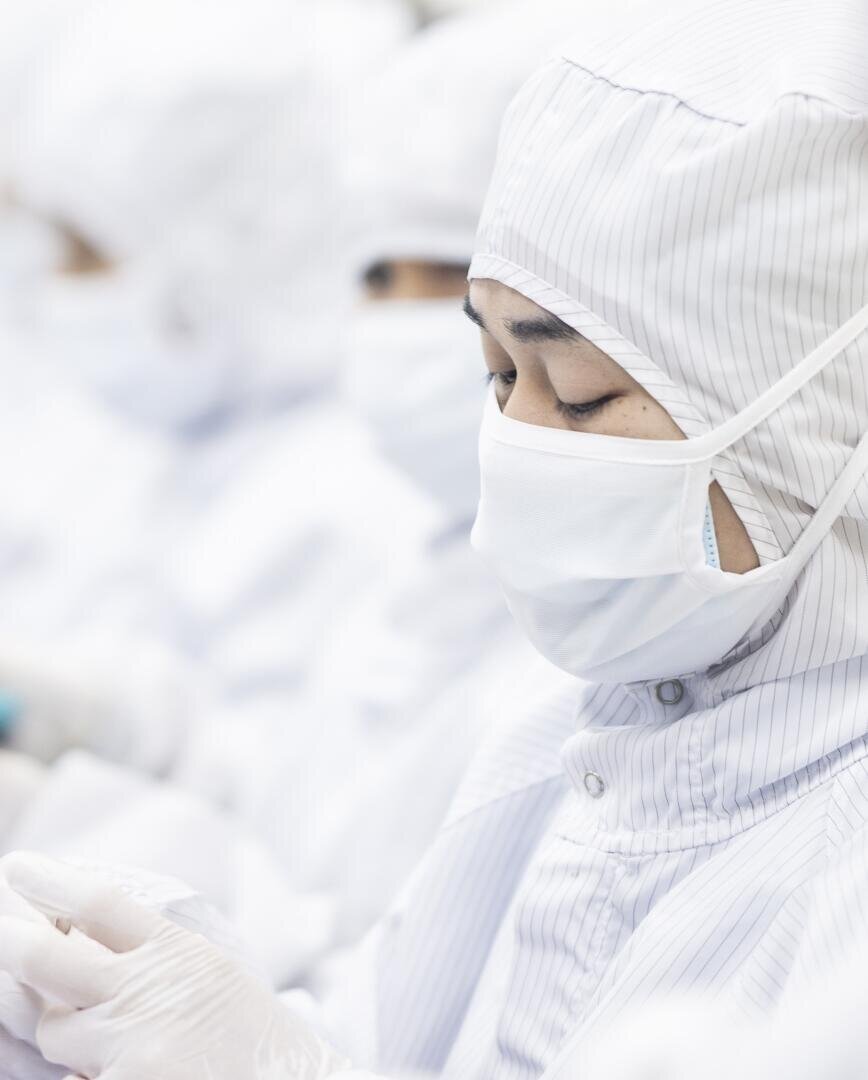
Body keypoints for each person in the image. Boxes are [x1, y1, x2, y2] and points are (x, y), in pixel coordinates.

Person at [1, 0, 867, 1076]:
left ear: (821, 413)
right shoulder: (575, 732)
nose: (515, 442)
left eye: (582, 396)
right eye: (500, 376)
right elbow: (371, 1029)